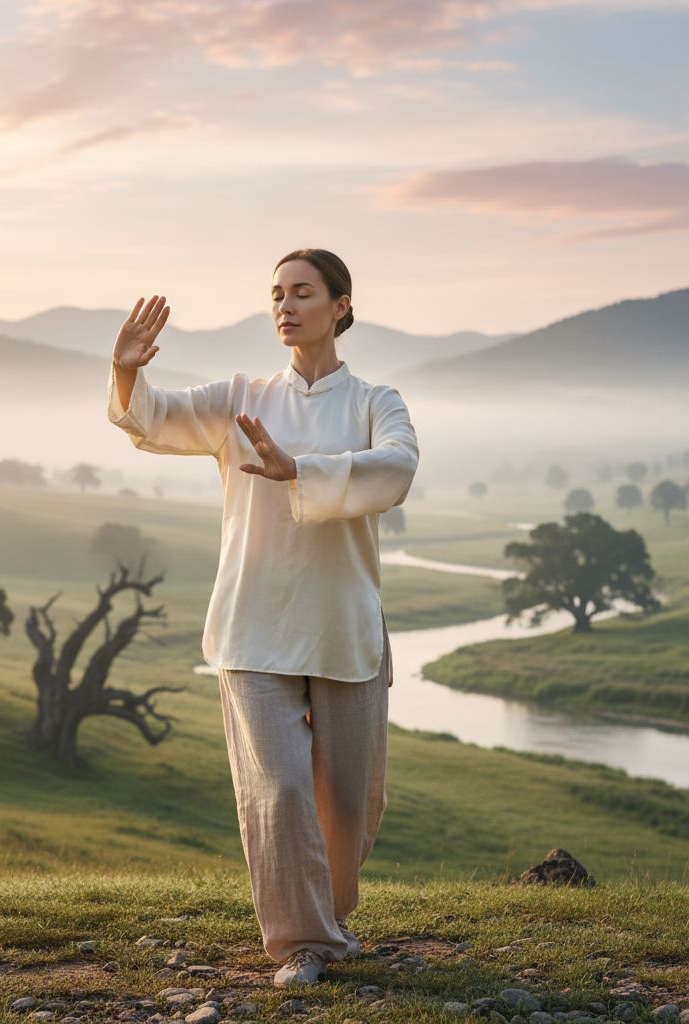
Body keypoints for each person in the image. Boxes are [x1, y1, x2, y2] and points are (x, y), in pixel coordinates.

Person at [107, 248, 419, 988]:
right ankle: (302, 945)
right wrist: (126, 369)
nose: (285, 305)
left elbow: (398, 469)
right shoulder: (239, 398)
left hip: (344, 627)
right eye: (276, 293)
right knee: (277, 791)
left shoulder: (378, 401)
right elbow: (151, 419)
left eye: (303, 293)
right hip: (253, 627)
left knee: (351, 802)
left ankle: (332, 920)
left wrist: (300, 472)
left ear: (341, 305)